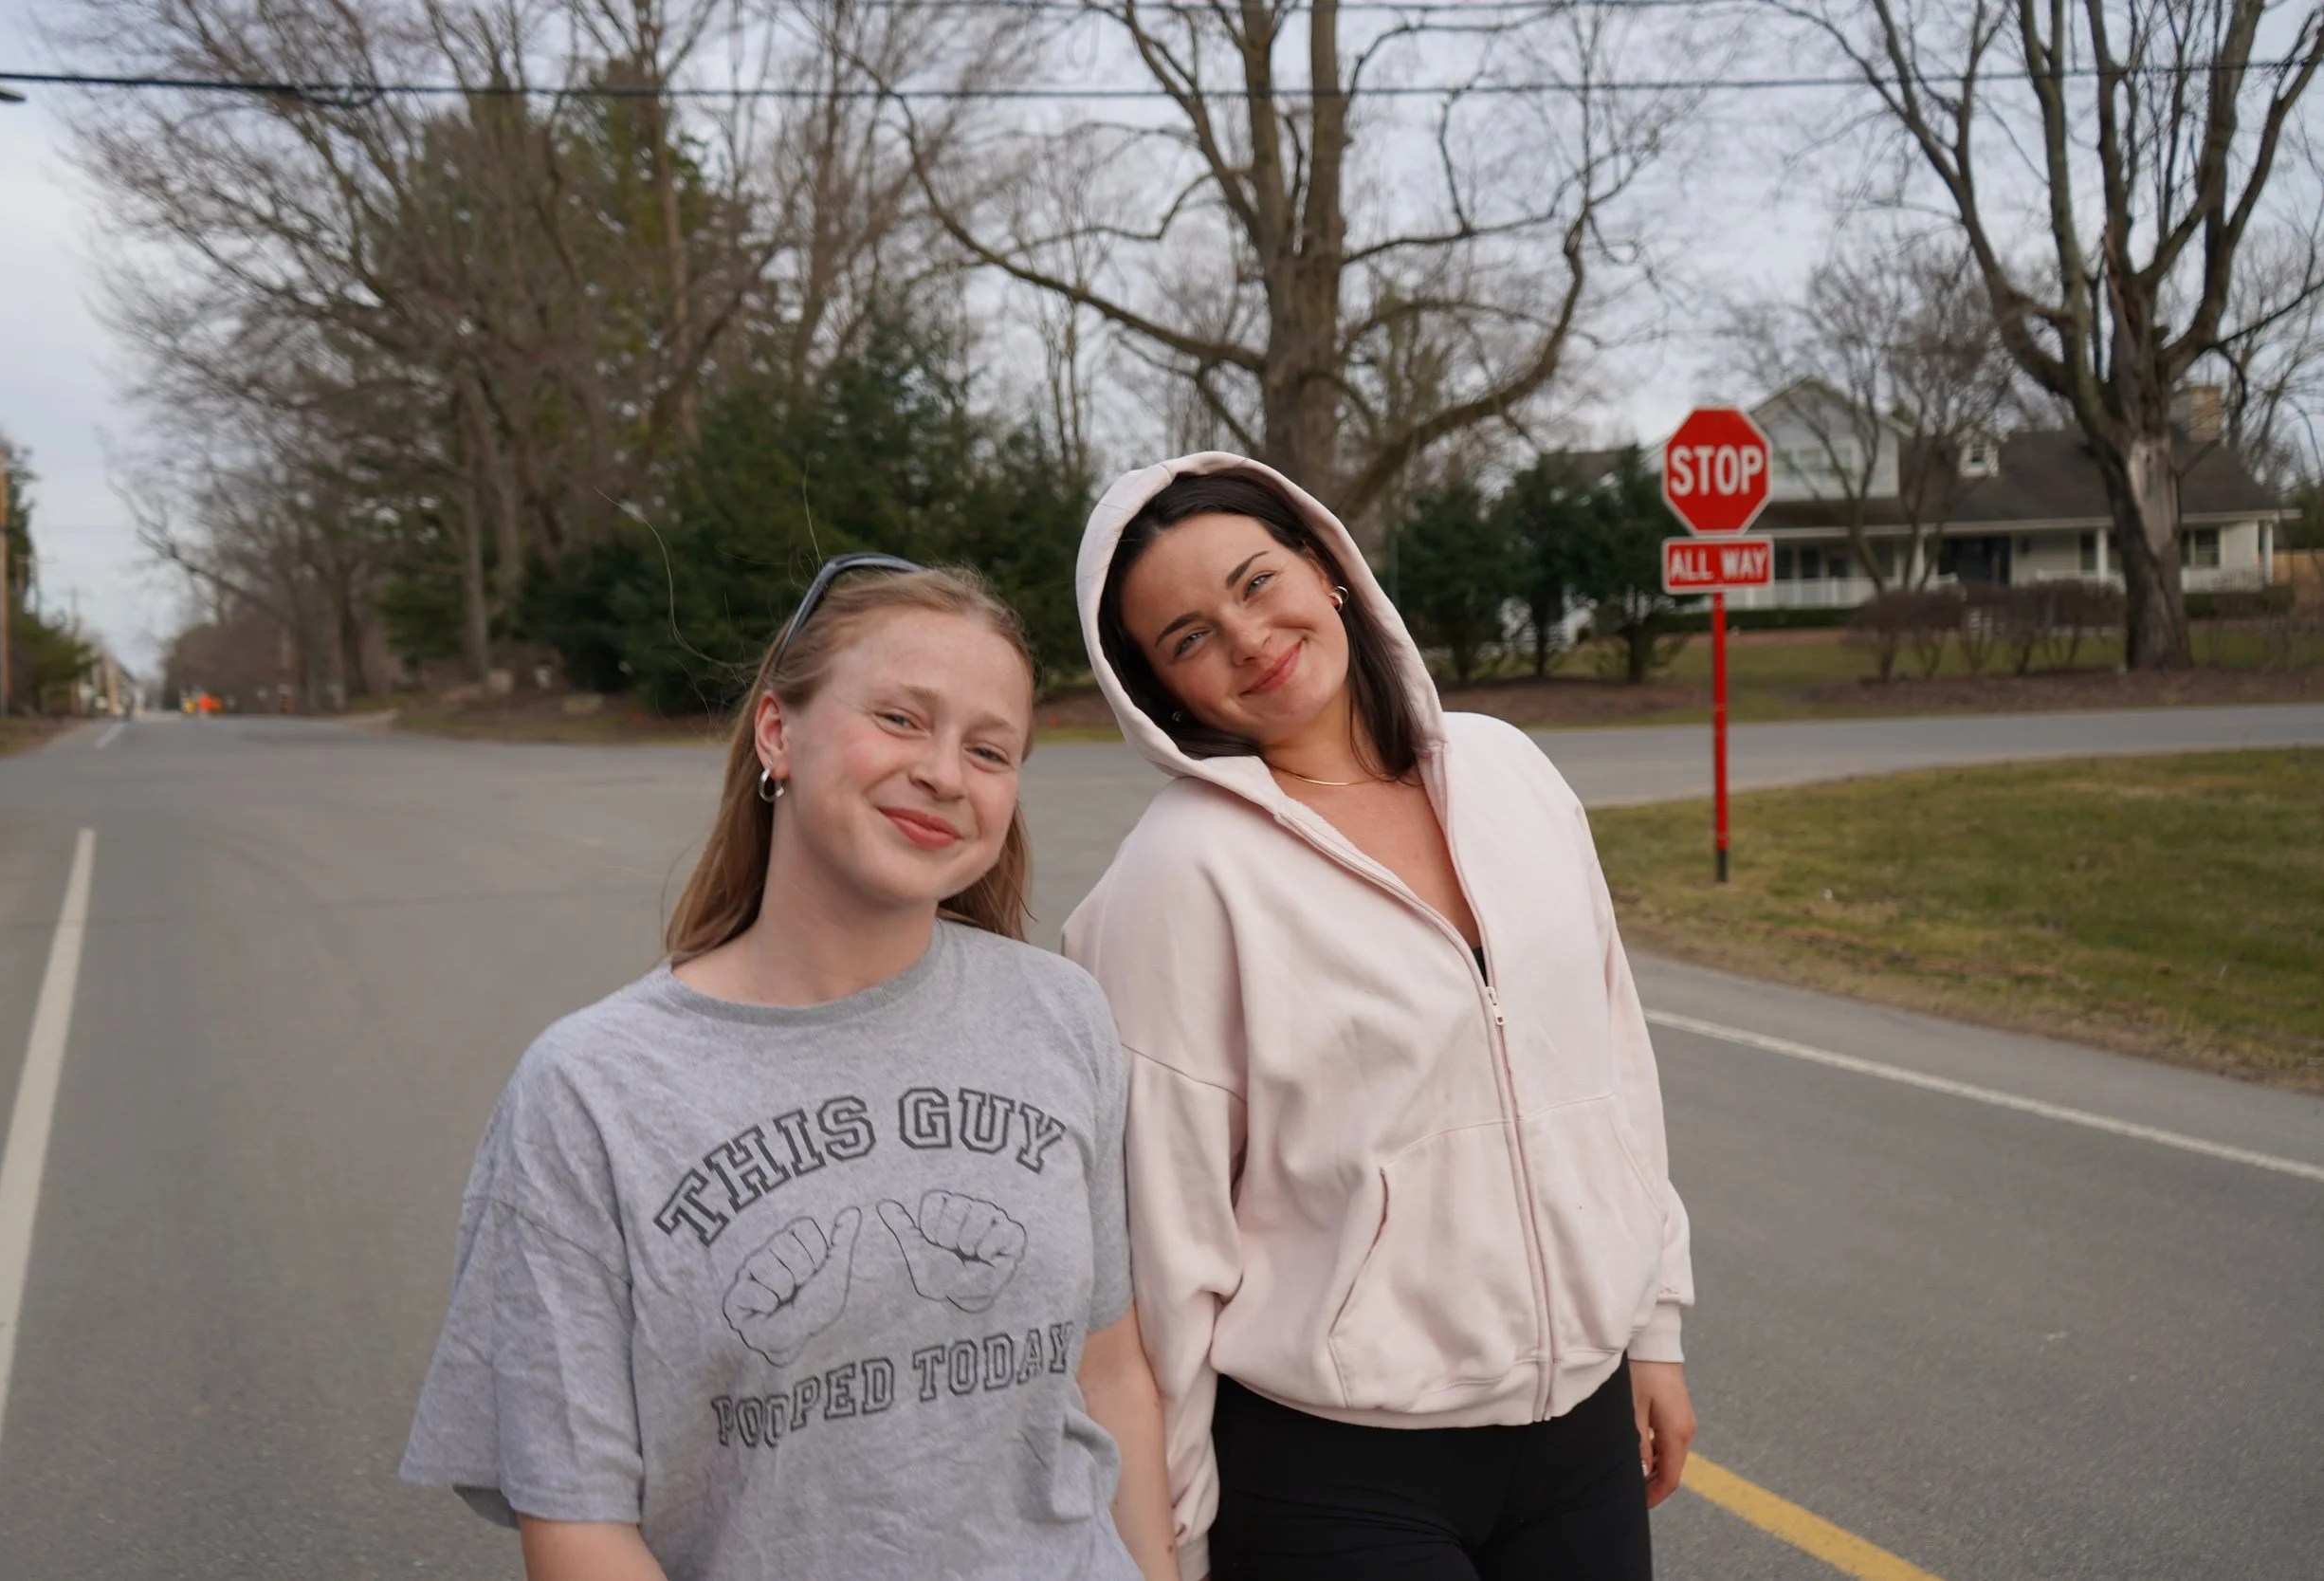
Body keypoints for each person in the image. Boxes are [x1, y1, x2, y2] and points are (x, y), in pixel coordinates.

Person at [402, 558, 1180, 1581]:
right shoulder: (593, 1087)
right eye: (901, 719)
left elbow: (1110, 1372)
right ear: (778, 731)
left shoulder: (1058, 1012)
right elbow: (579, 1520)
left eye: (989, 748)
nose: (945, 772)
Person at [1063, 458, 1697, 1581]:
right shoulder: (1180, 873)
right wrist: (1174, 1528)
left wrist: (1650, 1325)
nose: (1249, 637)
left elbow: (1613, 1067)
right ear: (1162, 693)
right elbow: (1166, 1237)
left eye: (1259, 582)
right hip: (1333, 1471)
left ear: (1329, 568)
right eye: (1190, 637)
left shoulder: (1509, 771)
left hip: (1579, 1434)